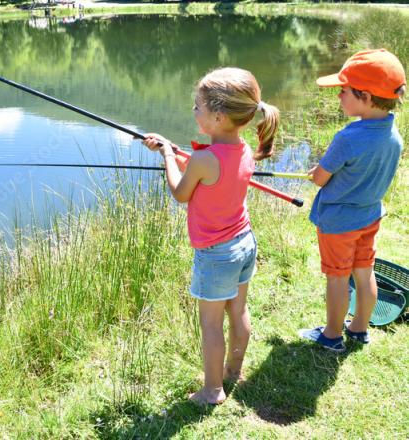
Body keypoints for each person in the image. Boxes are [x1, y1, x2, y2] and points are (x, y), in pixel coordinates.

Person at [142, 67, 280, 405]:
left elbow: (180, 192)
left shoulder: (204, 159)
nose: (194, 111)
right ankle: (234, 371)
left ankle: (212, 390)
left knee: (211, 325)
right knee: (240, 310)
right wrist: (180, 156)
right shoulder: (244, 150)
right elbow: (216, 168)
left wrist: (166, 156)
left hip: (216, 254)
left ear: (218, 117)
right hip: (244, 243)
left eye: (198, 106)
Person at [299, 49, 406, 352]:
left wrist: (317, 173)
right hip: (369, 216)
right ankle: (359, 328)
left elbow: (320, 178)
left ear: (366, 96)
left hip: (339, 223)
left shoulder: (347, 137)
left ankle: (332, 336)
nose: (338, 97)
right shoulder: (393, 135)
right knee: (364, 271)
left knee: (337, 278)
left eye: (343, 91)